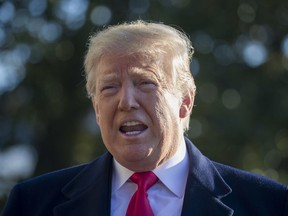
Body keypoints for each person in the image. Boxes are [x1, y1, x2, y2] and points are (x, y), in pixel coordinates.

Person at [2, 20, 288, 216]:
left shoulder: (270, 205)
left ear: (185, 101)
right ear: (97, 109)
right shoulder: (33, 203)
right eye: (110, 87)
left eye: (146, 83)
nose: (126, 101)